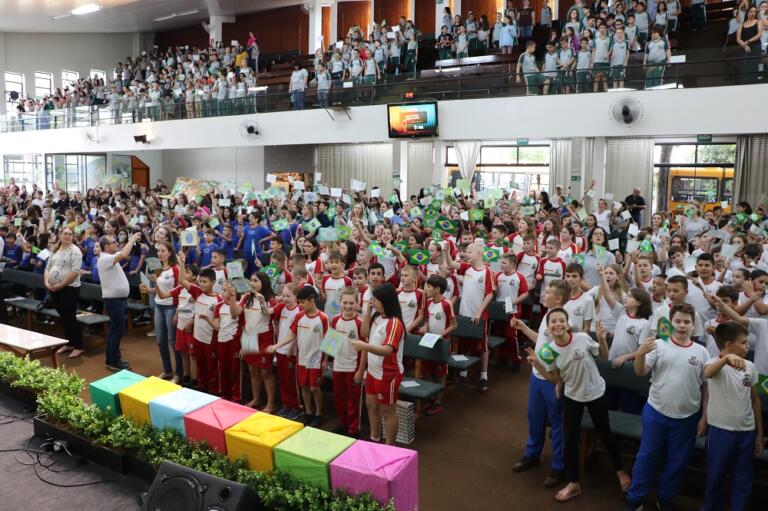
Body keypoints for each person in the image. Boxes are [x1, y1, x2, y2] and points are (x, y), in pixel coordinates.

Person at [526, 308, 630, 502]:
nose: (557, 324)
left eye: (561, 321)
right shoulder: (548, 351)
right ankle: (574, 483)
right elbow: (555, 378)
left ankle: (620, 471)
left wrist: (601, 339)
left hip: (595, 393)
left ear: (567, 323)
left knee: (605, 433)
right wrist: (537, 364)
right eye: (553, 321)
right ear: (548, 327)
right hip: (572, 396)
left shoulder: (581, 338)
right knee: (570, 440)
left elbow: (603, 357)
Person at [623, 303, 709, 510]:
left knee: (677, 462)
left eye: (686, 322)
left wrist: (704, 417)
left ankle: (665, 498)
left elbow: (706, 388)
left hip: (686, 418)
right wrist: (641, 353)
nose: (681, 326)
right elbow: (640, 371)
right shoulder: (658, 345)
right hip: (656, 412)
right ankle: (635, 499)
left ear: (693, 325)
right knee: (646, 457)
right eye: (678, 321)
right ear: (671, 322)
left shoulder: (702, 352)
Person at [701, 321, 763, 511]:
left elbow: (755, 400)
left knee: (742, 479)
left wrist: (759, 434)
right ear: (729, 346)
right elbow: (708, 373)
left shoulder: (750, 366)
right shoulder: (713, 363)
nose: (747, 346)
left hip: (746, 432)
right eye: (743, 343)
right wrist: (725, 360)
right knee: (715, 476)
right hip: (721, 432)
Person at [352, 283, 406, 445]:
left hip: (388, 373)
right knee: (371, 405)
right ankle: (374, 438)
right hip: (373, 371)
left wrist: (364, 347)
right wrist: (367, 313)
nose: (372, 302)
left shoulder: (394, 323)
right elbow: (364, 334)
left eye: (375, 300)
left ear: (386, 301)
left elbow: (388, 350)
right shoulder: (376, 316)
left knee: (388, 411)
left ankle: (389, 446)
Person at [97, 232, 141, 371]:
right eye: (113, 242)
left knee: (114, 331)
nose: (116, 243)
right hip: (114, 300)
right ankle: (114, 361)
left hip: (117, 300)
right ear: (106, 247)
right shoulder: (105, 258)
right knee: (117, 331)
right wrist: (132, 240)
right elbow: (123, 254)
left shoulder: (108, 258)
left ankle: (110, 360)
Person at [47, 227, 85, 359]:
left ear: (73, 236)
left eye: (70, 234)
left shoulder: (75, 251)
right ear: (60, 235)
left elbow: (75, 272)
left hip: (69, 288)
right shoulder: (56, 249)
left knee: (70, 316)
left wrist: (60, 285)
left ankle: (78, 346)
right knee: (63, 316)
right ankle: (69, 343)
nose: (67, 236)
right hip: (54, 288)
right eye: (65, 234)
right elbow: (48, 268)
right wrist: (47, 282)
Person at [736, 6, 764, 83]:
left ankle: (753, 83)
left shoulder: (759, 21)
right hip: (744, 48)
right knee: (743, 66)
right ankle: (743, 84)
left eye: (755, 11)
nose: (753, 13)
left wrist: (748, 42)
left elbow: (759, 35)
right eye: (751, 11)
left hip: (755, 47)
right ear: (747, 13)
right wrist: (745, 46)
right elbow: (738, 39)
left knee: (753, 66)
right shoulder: (742, 24)